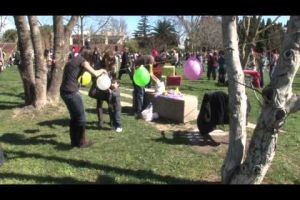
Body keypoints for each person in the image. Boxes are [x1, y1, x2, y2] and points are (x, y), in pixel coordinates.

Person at [60, 48, 106, 148]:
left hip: (64, 91)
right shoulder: (82, 61)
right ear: (88, 55)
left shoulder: (73, 60)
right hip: (71, 92)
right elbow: (95, 73)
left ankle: (74, 141)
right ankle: (82, 142)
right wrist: (102, 70)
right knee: (82, 118)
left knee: (74, 117)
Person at [95, 50, 117, 129]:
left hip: (109, 88)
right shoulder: (99, 64)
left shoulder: (113, 66)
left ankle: (112, 122)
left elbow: (114, 77)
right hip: (99, 88)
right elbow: (94, 75)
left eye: (112, 60)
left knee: (111, 105)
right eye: (109, 59)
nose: (110, 62)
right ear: (105, 58)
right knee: (99, 105)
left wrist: (114, 84)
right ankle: (100, 122)